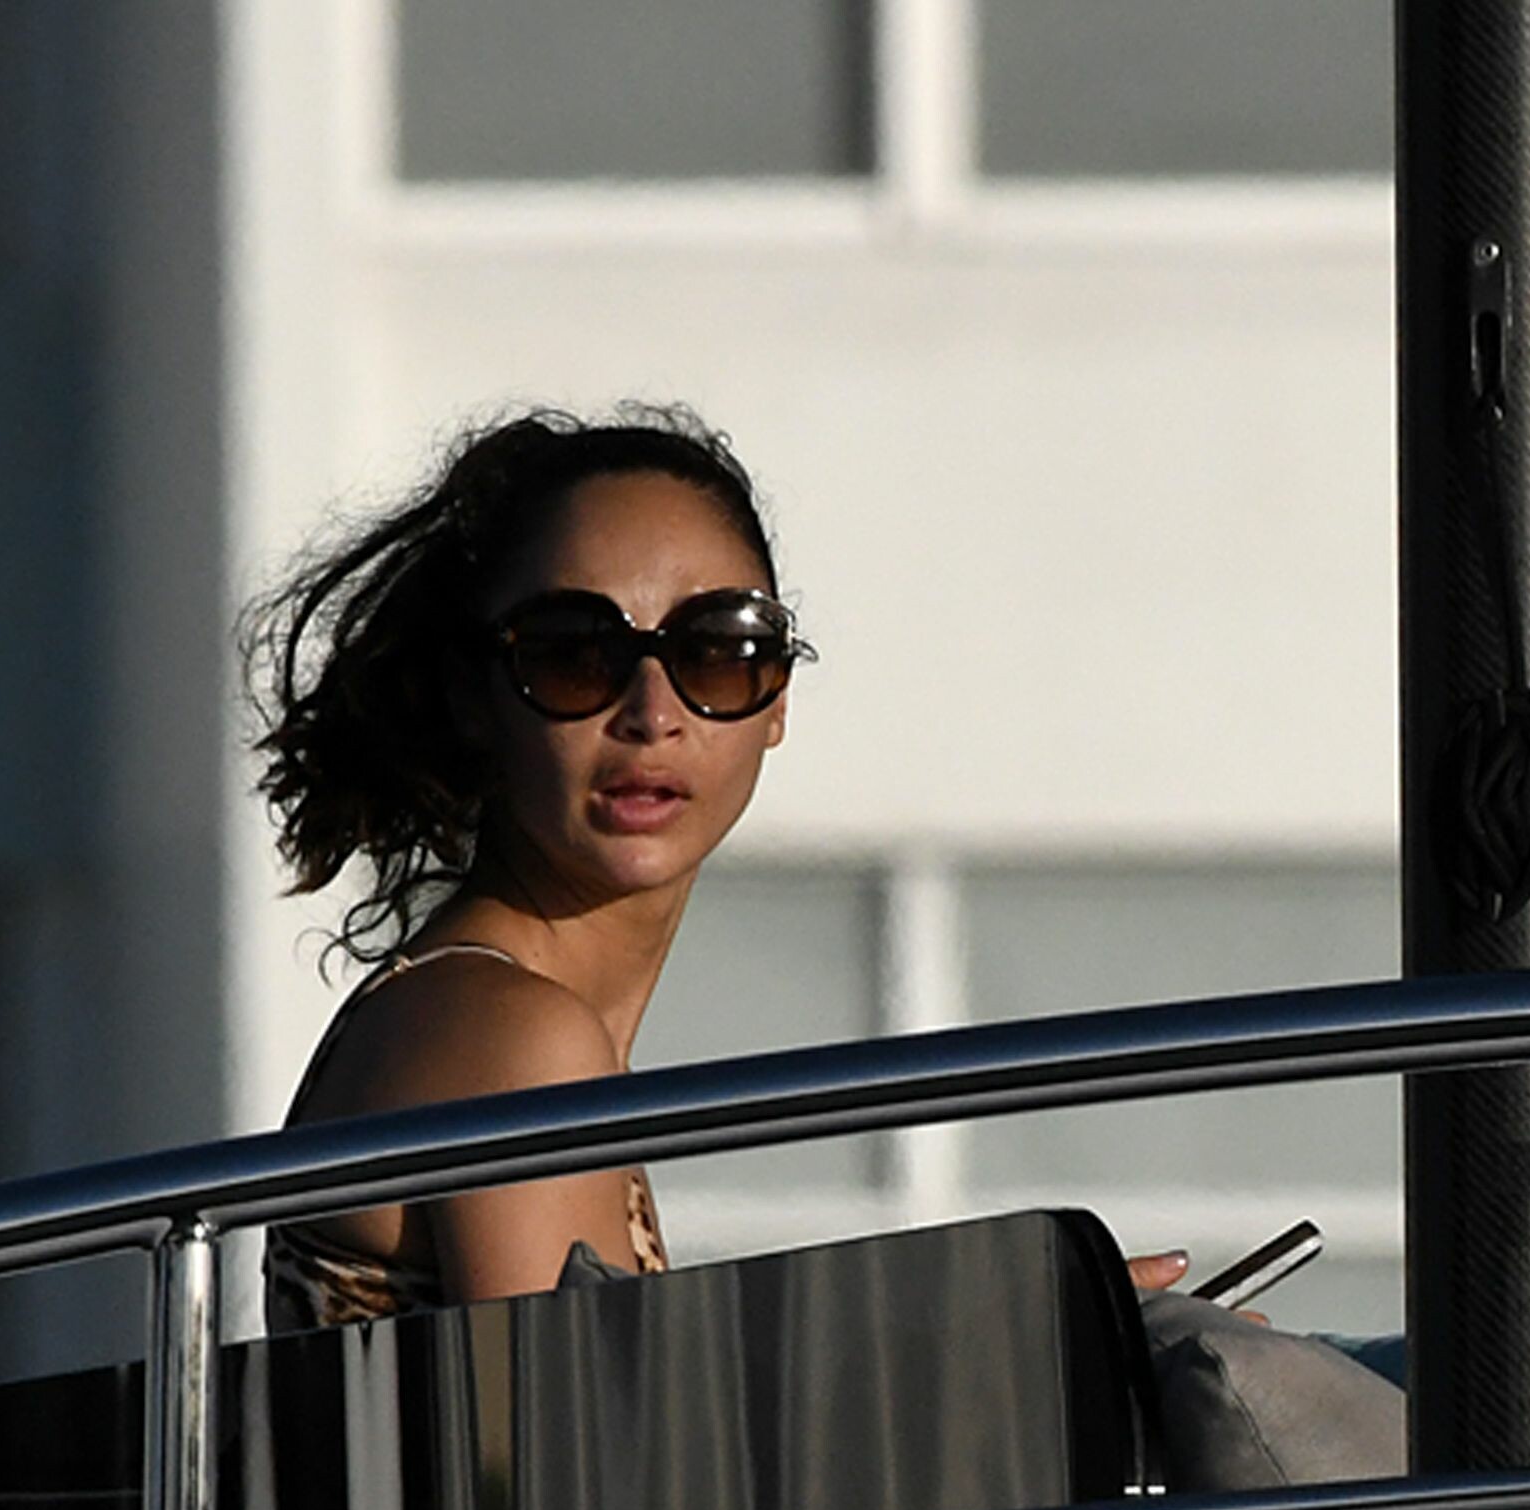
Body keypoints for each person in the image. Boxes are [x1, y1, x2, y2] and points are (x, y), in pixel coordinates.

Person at [246, 406, 1186, 1329]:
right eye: (575, 655)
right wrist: (1006, 1350)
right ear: (473, 697)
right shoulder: (516, 1039)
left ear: (777, 700)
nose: (652, 713)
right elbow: (587, 1432)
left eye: (720, 651)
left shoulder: (492, 1014)